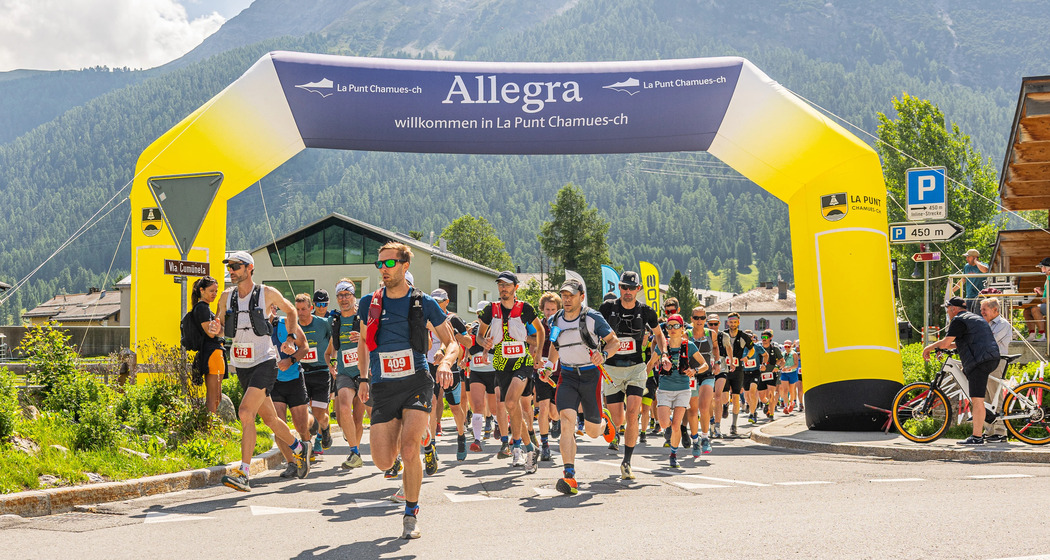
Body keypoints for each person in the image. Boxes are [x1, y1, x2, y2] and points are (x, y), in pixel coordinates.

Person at [357, 242, 459, 539]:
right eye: (380, 265)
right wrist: (363, 378)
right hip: (383, 385)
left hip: (416, 380)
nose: (383, 270)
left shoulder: (423, 302)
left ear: (404, 266)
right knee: (383, 461)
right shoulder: (369, 303)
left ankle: (411, 514)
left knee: (409, 448)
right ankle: (421, 432)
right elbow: (364, 341)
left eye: (389, 264)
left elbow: (451, 342)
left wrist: (445, 364)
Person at [216, 251, 310, 492]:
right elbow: (218, 327)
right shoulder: (227, 297)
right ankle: (299, 448)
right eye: (229, 266)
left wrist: (289, 337)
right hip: (242, 365)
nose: (231, 270)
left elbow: (290, 310)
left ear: (249, 268)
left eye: (236, 266)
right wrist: (215, 327)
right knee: (270, 419)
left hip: (265, 362)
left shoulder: (266, 293)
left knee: (246, 412)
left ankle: (243, 473)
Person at [546, 278, 619, 494]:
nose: (566, 299)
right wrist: (549, 366)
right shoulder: (556, 320)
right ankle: (569, 476)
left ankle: (604, 422)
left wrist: (604, 354)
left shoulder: (593, 317)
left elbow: (614, 341)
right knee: (566, 421)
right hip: (567, 376)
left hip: (590, 376)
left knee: (593, 432)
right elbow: (554, 346)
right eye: (564, 295)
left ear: (581, 296)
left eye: (571, 295)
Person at [598, 271, 667, 480]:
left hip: (636, 368)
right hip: (611, 369)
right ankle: (609, 420)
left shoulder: (646, 311)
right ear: (619, 288)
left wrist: (663, 354)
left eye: (631, 288)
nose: (627, 292)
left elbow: (659, 334)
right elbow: (594, 331)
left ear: (638, 289)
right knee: (618, 419)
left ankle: (627, 462)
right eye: (624, 287)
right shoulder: (607, 309)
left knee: (633, 414)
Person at [477, 271, 544, 472]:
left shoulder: (525, 308)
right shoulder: (491, 309)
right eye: (500, 285)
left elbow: (540, 331)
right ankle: (526, 447)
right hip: (501, 364)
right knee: (510, 407)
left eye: (507, 285)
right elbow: (480, 336)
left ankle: (524, 449)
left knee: (512, 402)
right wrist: (484, 343)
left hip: (521, 362)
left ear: (515, 287)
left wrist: (538, 354)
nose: (503, 288)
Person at [922, 297, 1001, 445]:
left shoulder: (958, 321)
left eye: (947, 309)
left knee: (977, 400)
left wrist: (929, 347)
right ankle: (986, 414)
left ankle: (977, 437)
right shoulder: (974, 318)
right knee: (975, 393)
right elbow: (957, 344)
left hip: (980, 361)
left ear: (953, 309)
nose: (947, 312)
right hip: (990, 357)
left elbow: (946, 342)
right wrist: (941, 347)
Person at [652, 313, 708, 468]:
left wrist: (694, 370)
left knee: (676, 425)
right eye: (669, 326)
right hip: (664, 389)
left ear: (683, 328)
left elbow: (705, 365)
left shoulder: (689, 345)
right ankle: (670, 433)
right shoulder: (662, 346)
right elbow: (650, 363)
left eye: (676, 326)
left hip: (683, 389)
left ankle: (673, 454)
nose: (673, 329)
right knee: (664, 423)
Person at [324, 280, 367, 469]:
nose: (343, 299)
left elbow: (377, 340)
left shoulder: (363, 317)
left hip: (364, 373)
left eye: (347, 294)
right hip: (344, 373)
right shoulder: (336, 321)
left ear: (353, 295)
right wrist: (332, 364)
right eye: (340, 295)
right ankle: (354, 451)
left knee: (359, 418)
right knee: (343, 410)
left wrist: (364, 338)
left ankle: (357, 453)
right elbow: (330, 351)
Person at [428, 288, 471, 462]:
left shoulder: (453, 319)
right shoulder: (427, 318)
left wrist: (454, 335)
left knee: (454, 407)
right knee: (431, 404)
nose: (437, 305)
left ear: (447, 302)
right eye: (434, 302)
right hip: (430, 365)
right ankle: (431, 445)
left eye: (440, 302)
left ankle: (461, 436)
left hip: (450, 367)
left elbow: (469, 342)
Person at [269, 313, 313, 479]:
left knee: (301, 426)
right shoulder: (256, 328)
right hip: (273, 383)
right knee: (278, 425)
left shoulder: (286, 323)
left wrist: (291, 361)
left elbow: (305, 346)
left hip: (294, 379)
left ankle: (306, 452)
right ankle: (292, 464)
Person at [292, 293, 334, 461]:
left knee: (319, 414)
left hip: (321, 372)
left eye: (303, 309)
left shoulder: (323, 323)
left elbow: (335, 339)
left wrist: (332, 358)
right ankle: (312, 444)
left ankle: (325, 430)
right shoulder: (293, 325)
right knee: (303, 412)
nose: (300, 312)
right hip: (301, 372)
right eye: (297, 309)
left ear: (311, 308)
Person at [465, 304, 500, 455]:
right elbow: (467, 346)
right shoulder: (472, 329)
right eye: (479, 314)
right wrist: (465, 358)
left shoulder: (496, 329)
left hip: (492, 372)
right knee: (478, 405)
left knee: (493, 408)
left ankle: (498, 423)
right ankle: (477, 440)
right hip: (476, 372)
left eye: (484, 314)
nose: (481, 317)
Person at [190, 276, 226, 414]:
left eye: (216, 291)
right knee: (213, 397)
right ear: (202, 290)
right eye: (211, 290)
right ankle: (209, 427)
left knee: (217, 396)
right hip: (212, 353)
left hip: (215, 353)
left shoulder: (205, 308)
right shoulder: (202, 308)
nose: (214, 294)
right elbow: (212, 333)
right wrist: (220, 311)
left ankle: (213, 424)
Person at [535, 292, 563, 462]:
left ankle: (557, 420)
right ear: (542, 309)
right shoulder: (539, 326)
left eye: (553, 309)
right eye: (547, 309)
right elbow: (529, 339)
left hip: (559, 372)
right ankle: (544, 446)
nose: (550, 312)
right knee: (543, 409)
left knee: (554, 412)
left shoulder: (562, 324)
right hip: (541, 372)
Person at [979, 297, 1011, 442]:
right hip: (984, 362)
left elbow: (988, 341)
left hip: (997, 362)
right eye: (981, 310)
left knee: (995, 396)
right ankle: (989, 431)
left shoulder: (1003, 324)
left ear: (995, 310)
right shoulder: (984, 324)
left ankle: (1000, 431)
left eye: (984, 309)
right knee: (984, 397)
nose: (981, 312)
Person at [687, 306, 716, 455]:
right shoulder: (686, 334)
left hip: (707, 373)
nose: (699, 321)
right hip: (691, 375)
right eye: (696, 318)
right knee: (692, 411)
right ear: (691, 319)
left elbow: (716, 349)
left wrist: (717, 363)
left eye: (702, 318)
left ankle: (705, 437)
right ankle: (695, 441)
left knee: (704, 407)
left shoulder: (711, 334)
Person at [723, 312, 754, 435]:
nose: (733, 324)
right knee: (725, 396)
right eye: (731, 322)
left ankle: (734, 425)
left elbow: (752, 349)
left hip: (738, 370)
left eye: (735, 322)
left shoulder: (743, 336)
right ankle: (725, 405)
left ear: (738, 323)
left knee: (736, 397)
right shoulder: (723, 334)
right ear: (728, 322)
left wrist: (746, 358)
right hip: (725, 368)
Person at [1023, 257, 1050, 341]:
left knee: (1035, 309)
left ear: (1047, 268)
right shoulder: (1047, 278)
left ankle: (1042, 335)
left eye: (1042, 267)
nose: (1041, 270)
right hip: (1047, 303)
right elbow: (1047, 294)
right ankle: (1032, 334)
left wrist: (1045, 299)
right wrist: (1041, 292)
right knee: (1027, 311)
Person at [957, 249, 988, 313]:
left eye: (968, 257)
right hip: (969, 298)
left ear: (974, 257)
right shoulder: (967, 267)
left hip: (980, 297)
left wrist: (976, 262)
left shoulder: (983, 265)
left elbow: (985, 270)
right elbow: (963, 280)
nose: (967, 259)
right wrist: (951, 290)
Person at [778, 340, 800, 414]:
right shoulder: (783, 354)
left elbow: (796, 365)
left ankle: (792, 403)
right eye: (785, 346)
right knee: (785, 390)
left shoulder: (794, 354)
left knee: (792, 390)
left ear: (791, 346)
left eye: (788, 346)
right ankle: (785, 406)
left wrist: (789, 367)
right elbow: (780, 364)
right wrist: (781, 367)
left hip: (792, 373)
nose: (787, 348)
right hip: (784, 373)